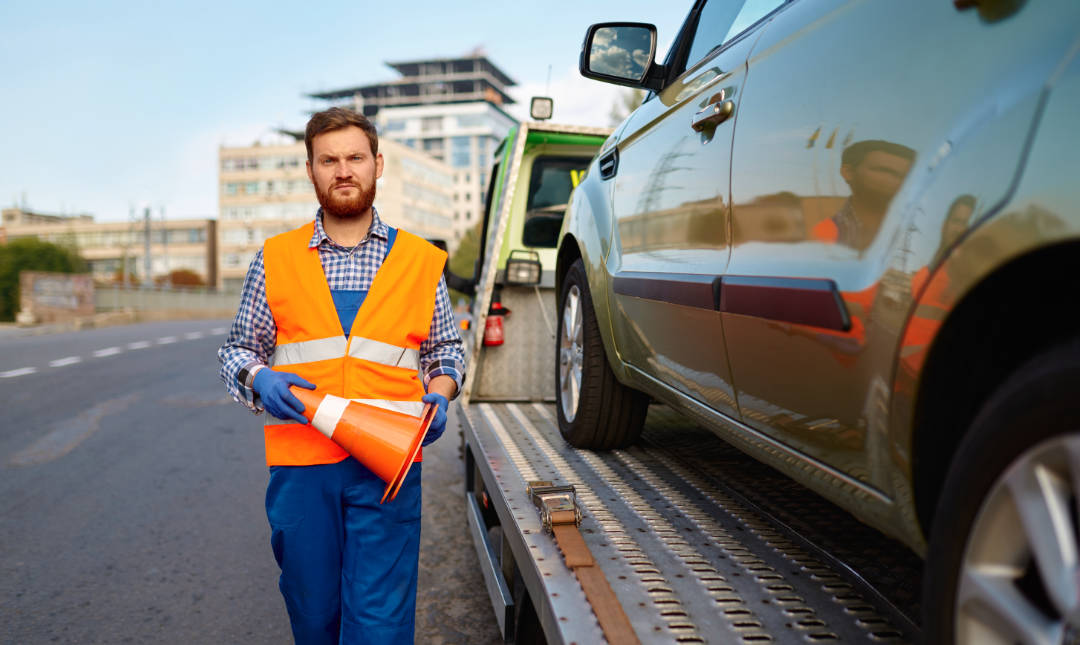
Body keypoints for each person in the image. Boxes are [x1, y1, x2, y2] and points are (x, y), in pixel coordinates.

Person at [217, 107, 465, 644]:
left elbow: (445, 351)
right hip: (303, 468)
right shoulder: (275, 258)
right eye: (328, 160)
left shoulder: (422, 261)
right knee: (313, 615)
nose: (343, 170)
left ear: (378, 164)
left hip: (389, 464)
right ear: (311, 170)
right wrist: (259, 378)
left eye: (355, 157)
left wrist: (441, 394)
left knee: (380, 621)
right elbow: (237, 349)